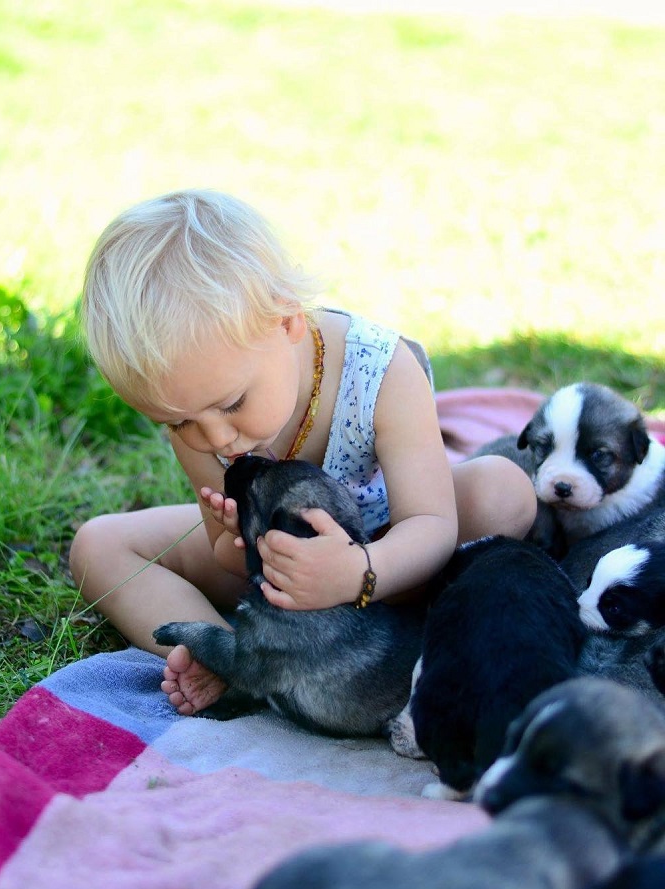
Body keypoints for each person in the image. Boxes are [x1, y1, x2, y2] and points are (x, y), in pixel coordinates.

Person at [70, 189, 537, 716]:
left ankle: (371, 635)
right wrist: (234, 541)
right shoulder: (199, 411)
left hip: (388, 540)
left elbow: (430, 522)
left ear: (287, 320)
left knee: (504, 491)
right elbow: (229, 556)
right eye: (178, 422)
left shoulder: (380, 369)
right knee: (99, 545)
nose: (217, 440)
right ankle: (230, 659)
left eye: (231, 405)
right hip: (280, 572)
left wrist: (361, 571)